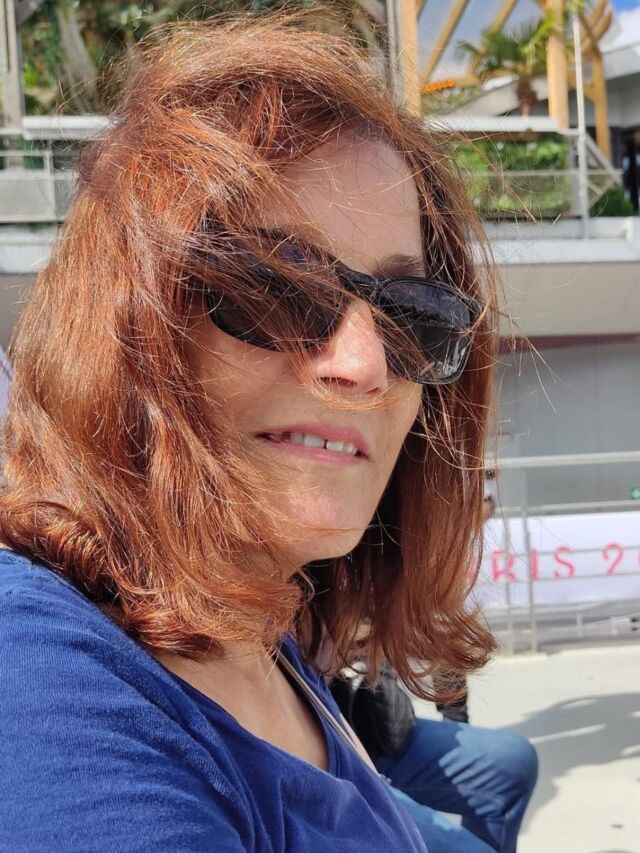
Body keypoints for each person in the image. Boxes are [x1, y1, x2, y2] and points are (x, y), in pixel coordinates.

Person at [0, 17, 498, 852]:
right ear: (122, 329)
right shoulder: (43, 685)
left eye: (413, 313)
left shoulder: (256, 628)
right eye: (274, 288)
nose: (364, 365)